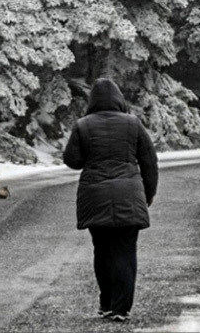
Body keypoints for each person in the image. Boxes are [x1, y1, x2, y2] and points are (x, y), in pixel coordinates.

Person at [63, 78, 159, 323]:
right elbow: (149, 162)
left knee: (102, 250)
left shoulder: (83, 125)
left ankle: (106, 303)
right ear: (119, 100)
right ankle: (121, 308)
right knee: (125, 252)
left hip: (94, 196)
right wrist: (147, 194)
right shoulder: (133, 124)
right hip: (129, 193)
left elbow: (72, 160)